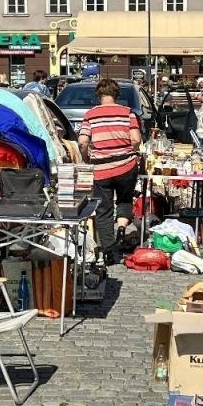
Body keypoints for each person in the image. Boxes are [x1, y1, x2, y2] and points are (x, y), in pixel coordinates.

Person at [78, 77, 142, 265]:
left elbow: (82, 141)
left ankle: (109, 251)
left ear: (99, 95)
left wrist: (87, 157)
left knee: (104, 210)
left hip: (101, 169)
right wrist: (130, 150)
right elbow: (136, 139)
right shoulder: (128, 113)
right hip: (126, 166)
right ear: (117, 95)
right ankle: (122, 230)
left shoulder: (90, 115)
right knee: (124, 200)